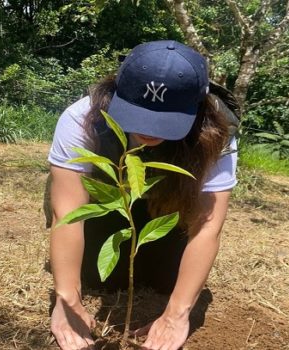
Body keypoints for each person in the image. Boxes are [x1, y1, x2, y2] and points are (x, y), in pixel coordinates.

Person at [46, 40, 238, 350]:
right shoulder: (82, 117)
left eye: (165, 121)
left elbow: (207, 225)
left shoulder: (217, 131)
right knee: (97, 277)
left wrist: (177, 314)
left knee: (166, 280)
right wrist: (66, 300)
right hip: (104, 200)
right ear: (117, 90)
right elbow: (67, 213)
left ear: (197, 108)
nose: (150, 130)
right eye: (138, 113)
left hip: (166, 206)